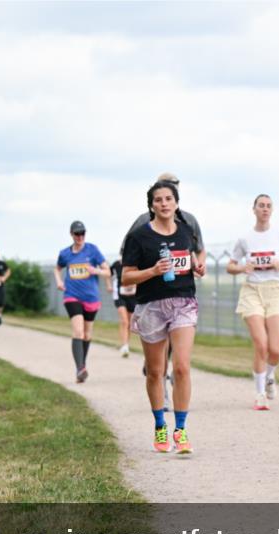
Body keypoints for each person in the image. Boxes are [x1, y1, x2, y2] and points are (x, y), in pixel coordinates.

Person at [122, 180, 204, 455]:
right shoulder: (139, 237)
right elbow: (127, 276)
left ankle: (180, 430)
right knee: (156, 371)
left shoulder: (186, 231)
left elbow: (189, 260)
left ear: (176, 203)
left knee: (181, 367)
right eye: (159, 200)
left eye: (169, 199)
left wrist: (197, 266)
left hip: (183, 302)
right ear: (152, 205)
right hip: (151, 306)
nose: (164, 203)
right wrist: (153, 271)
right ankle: (160, 425)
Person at [227, 194, 279, 410]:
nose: (265, 209)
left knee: (275, 349)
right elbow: (230, 266)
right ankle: (259, 394)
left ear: (272, 210)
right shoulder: (245, 239)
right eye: (261, 205)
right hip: (252, 291)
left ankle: (270, 377)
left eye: (268, 206)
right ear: (254, 209)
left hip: (275, 290)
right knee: (261, 344)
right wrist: (241, 268)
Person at [54, 221, 109, 382]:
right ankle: (80, 368)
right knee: (78, 331)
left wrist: (96, 270)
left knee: (87, 334)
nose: (80, 237)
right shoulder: (65, 253)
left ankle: (82, 364)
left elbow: (108, 271)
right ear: (71, 234)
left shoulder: (93, 250)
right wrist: (58, 281)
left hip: (91, 298)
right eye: (77, 234)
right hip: (72, 295)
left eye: (82, 233)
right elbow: (57, 268)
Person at [110, 259, 137, 357]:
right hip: (119, 295)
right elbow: (108, 273)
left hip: (133, 296)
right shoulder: (116, 264)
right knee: (124, 321)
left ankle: (126, 344)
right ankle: (124, 346)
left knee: (130, 322)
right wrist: (109, 285)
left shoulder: (136, 263)